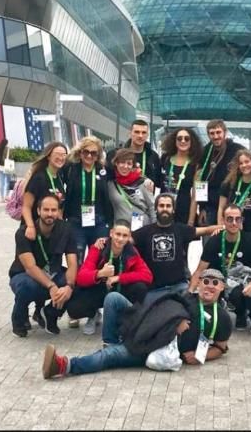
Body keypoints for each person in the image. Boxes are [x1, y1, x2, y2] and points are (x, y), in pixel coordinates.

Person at [42, 267, 231, 379]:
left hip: (155, 345)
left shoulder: (222, 318)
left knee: (109, 356)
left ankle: (63, 366)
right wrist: (176, 320)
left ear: (222, 287)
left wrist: (201, 356)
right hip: (145, 327)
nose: (209, 286)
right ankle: (112, 342)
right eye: (206, 281)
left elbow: (221, 348)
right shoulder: (185, 297)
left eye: (215, 283)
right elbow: (163, 308)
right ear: (198, 284)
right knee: (114, 298)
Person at [131, 193, 223, 305]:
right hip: (154, 289)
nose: (165, 209)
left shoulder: (180, 229)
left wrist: (222, 228)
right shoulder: (145, 232)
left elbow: (205, 230)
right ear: (156, 209)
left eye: (168, 206)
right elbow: (123, 239)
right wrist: (106, 240)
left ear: (173, 209)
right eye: (161, 206)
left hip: (179, 287)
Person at [67, 219, 153, 335]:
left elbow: (147, 275)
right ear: (111, 233)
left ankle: (127, 315)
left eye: (124, 235)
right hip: (100, 289)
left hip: (120, 289)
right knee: (74, 309)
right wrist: (100, 273)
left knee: (140, 287)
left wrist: (119, 278)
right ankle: (93, 315)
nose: (120, 239)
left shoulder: (132, 251)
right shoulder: (98, 247)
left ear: (129, 237)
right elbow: (81, 277)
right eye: (118, 234)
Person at [8, 195, 78, 338]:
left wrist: (69, 286)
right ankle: (19, 319)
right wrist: (51, 286)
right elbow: (30, 267)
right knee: (27, 286)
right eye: (46, 210)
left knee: (76, 283)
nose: (50, 214)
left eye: (54, 210)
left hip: (53, 273)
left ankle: (49, 315)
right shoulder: (23, 233)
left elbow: (72, 262)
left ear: (59, 212)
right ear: (38, 211)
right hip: (25, 275)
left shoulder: (66, 229)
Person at [189, 204, 251, 331]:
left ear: (242, 221)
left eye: (238, 219)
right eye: (230, 219)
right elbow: (199, 271)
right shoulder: (214, 241)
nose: (234, 223)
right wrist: (190, 294)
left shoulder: (250, 241)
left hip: (244, 283)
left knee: (247, 296)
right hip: (221, 283)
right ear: (224, 220)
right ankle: (238, 312)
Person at [62, 136, 113, 330]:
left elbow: (124, 177)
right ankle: (76, 310)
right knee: (77, 264)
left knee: (99, 263)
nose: (90, 156)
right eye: (86, 152)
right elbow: (52, 171)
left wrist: (146, 181)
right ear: (80, 152)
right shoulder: (71, 169)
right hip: (76, 222)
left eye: (94, 153)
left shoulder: (104, 170)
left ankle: (94, 309)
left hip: (99, 222)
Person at [196, 120, 245, 232]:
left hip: (234, 204)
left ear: (225, 132)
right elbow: (200, 181)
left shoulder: (237, 150)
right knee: (210, 243)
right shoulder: (205, 152)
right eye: (212, 133)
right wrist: (202, 207)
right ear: (208, 135)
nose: (216, 136)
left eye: (218, 132)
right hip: (211, 207)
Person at [217, 148, 251, 232]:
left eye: (247, 162)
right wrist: (220, 228)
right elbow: (221, 208)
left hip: (249, 228)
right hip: (231, 226)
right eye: (241, 163)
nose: (244, 165)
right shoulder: (230, 183)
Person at [21, 142, 69, 234]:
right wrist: (30, 226)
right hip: (35, 229)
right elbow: (26, 206)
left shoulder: (59, 177)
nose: (61, 158)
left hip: (52, 231)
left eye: (64, 155)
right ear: (48, 156)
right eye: (57, 154)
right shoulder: (39, 177)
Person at [160, 127, 203, 225]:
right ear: (174, 141)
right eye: (179, 138)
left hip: (184, 212)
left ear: (192, 142)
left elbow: (197, 196)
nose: (183, 141)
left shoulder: (197, 164)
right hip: (164, 209)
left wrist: (191, 221)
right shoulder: (165, 158)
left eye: (187, 139)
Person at [107, 148, 156, 230]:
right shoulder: (111, 185)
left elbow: (152, 207)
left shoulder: (143, 182)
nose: (125, 166)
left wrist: (155, 229)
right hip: (121, 232)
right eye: (122, 162)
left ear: (133, 165)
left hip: (143, 229)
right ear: (116, 163)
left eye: (129, 163)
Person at [107, 120, 162, 191]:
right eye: (137, 132)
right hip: (121, 198)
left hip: (144, 200)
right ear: (130, 133)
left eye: (144, 133)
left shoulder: (153, 156)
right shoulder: (115, 154)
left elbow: (157, 181)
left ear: (147, 135)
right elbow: (108, 178)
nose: (140, 136)